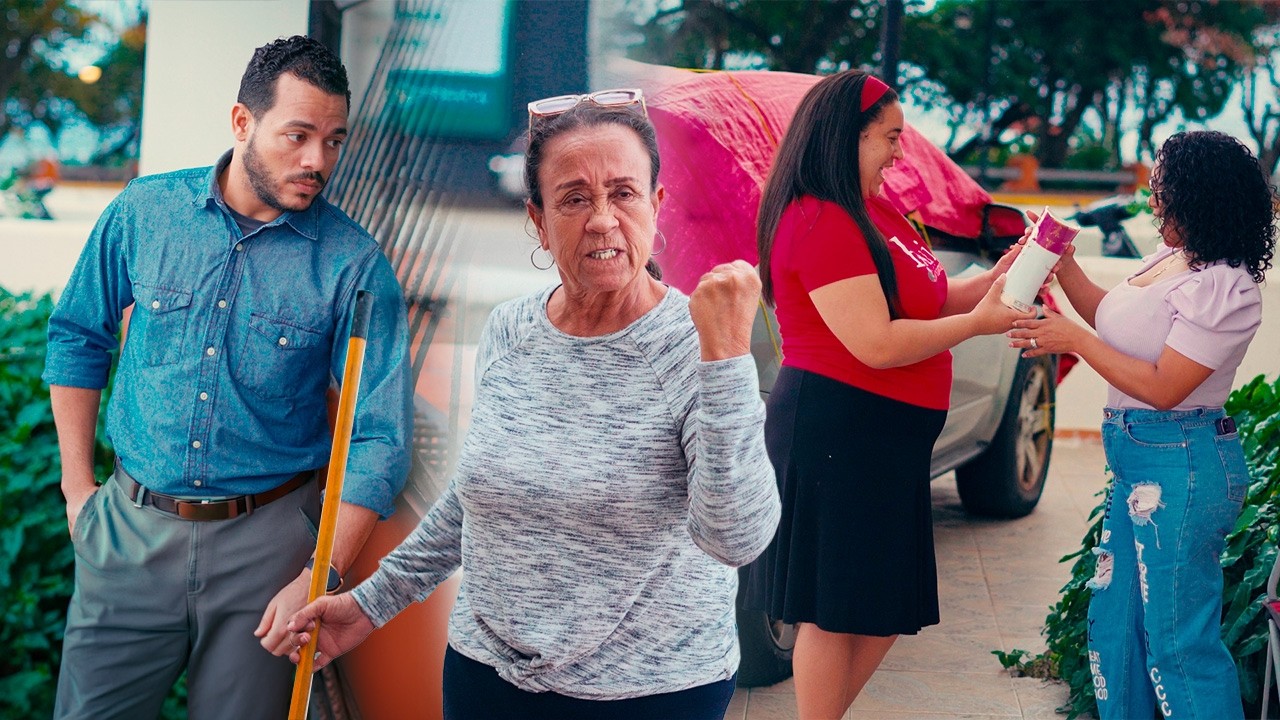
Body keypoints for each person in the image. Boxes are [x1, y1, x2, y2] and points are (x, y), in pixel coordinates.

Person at [284, 90, 781, 720]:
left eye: (623, 193)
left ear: (656, 207)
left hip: (649, 692)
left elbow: (736, 537)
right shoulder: (511, 329)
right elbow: (477, 501)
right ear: (539, 221)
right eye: (574, 198)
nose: (602, 218)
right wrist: (369, 605)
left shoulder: (703, 343)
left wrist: (729, 359)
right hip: (485, 676)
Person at [44, 36, 412, 719]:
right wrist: (77, 492)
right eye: (297, 135)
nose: (317, 161)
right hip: (127, 533)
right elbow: (76, 337)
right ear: (242, 122)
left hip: (269, 553)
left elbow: (380, 437)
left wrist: (318, 574)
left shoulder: (355, 264)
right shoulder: (145, 211)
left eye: (334, 140)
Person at [742, 70, 1033, 718]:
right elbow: (873, 341)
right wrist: (979, 324)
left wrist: (994, 280)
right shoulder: (817, 218)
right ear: (848, 137)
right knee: (830, 609)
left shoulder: (875, 208)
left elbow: (928, 296)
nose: (900, 152)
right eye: (890, 138)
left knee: (881, 609)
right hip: (837, 432)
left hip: (888, 442)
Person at [1008, 130, 1275, 720]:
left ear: (1202, 199)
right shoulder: (1171, 259)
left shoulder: (1226, 287)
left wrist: (1071, 339)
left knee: (1178, 644)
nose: (1153, 201)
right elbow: (1110, 317)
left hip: (1182, 467)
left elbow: (1163, 385)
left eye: (1164, 191)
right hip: (1138, 468)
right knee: (1115, 626)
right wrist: (1065, 266)